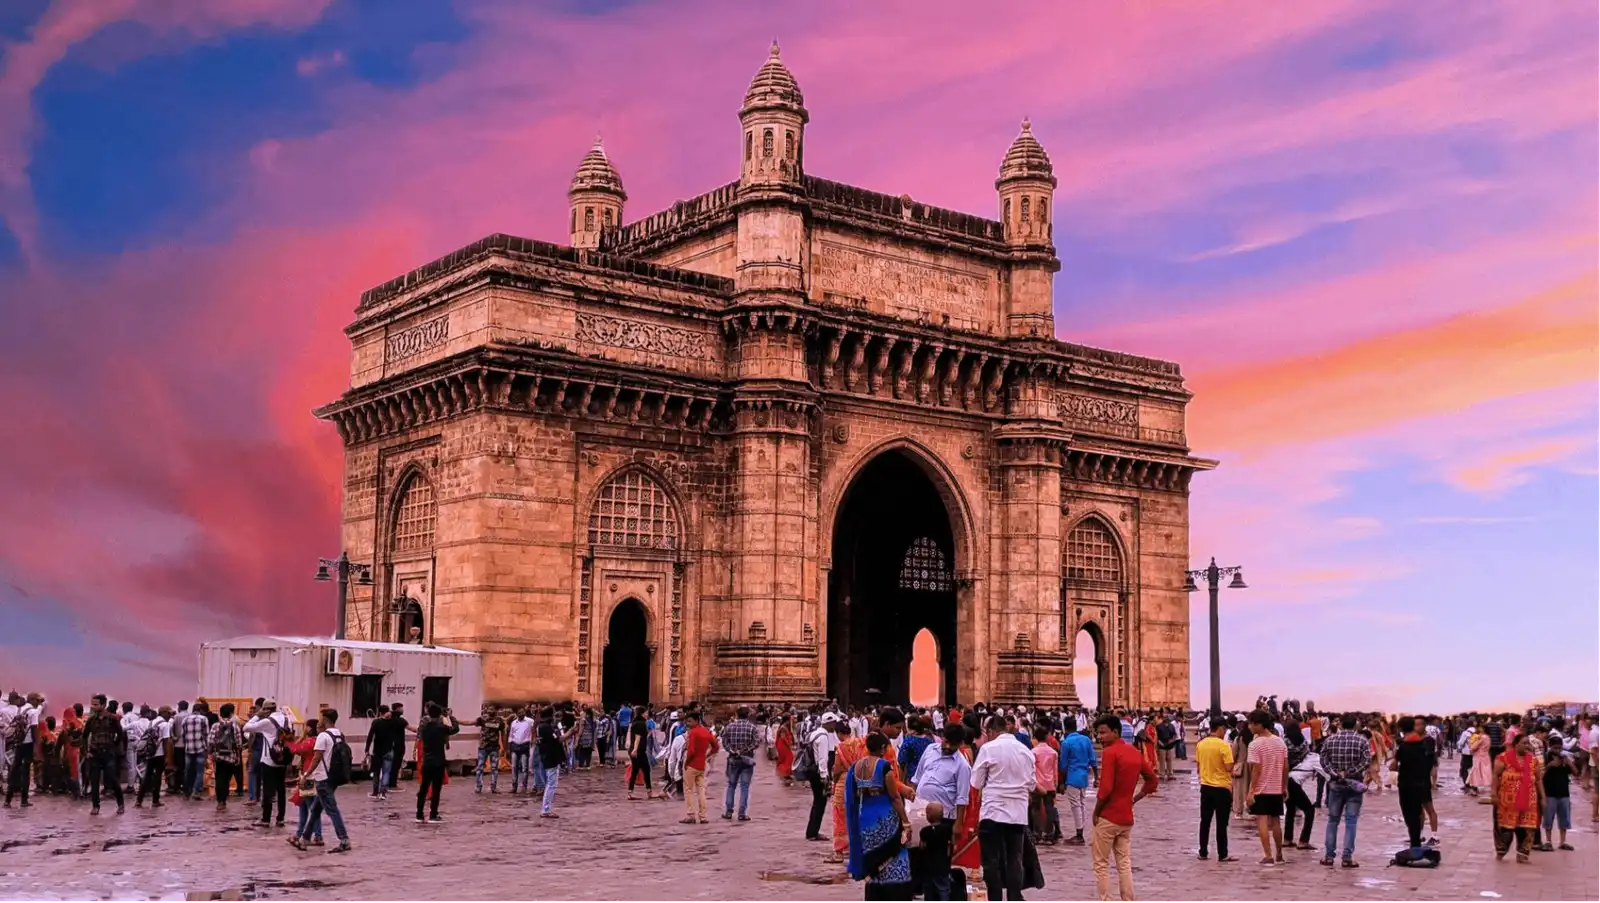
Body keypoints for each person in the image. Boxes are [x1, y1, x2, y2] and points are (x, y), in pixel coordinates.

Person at [1092, 713, 1157, 903]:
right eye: (1098, 733)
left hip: (1108, 816)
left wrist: (1096, 812)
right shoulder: (1135, 753)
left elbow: (1105, 789)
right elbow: (1152, 780)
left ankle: (1106, 900)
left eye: (1103, 733)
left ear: (1116, 732)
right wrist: (1135, 799)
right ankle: (1128, 899)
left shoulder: (1110, 753)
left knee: (1101, 864)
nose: (1100, 737)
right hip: (1126, 817)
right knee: (1124, 863)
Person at [971, 714, 1035, 903]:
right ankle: (1014, 898)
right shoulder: (1026, 751)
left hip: (993, 812)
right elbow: (1031, 784)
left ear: (990, 732)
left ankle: (995, 899)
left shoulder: (988, 749)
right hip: (1017, 814)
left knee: (991, 860)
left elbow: (976, 782)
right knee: (1014, 859)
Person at [845, 732, 913, 902]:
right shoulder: (884, 767)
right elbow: (895, 797)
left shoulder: (856, 767)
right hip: (885, 817)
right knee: (895, 858)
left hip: (866, 819)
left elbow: (852, 797)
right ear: (883, 748)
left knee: (873, 857)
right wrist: (905, 822)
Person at [289, 707, 351, 854]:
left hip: (323, 778)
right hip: (334, 777)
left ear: (325, 720)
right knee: (316, 810)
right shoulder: (339, 735)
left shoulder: (323, 736)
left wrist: (306, 775)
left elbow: (317, 758)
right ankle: (304, 839)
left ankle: (344, 840)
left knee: (332, 810)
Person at [1493, 731, 1544, 862]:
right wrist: (1493, 793)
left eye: (1528, 743)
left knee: (1527, 828)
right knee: (1505, 829)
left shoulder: (1533, 761)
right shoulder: (1503, 758)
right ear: (1516, 745)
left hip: (1529, 802)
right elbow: (1495, 777)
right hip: (1506, 802)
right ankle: (1501, 851)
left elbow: (1538, 780)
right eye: (1524, 743)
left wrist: (1543, 797)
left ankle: (1522, 854)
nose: (1527, 746)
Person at [1245, 709, 1287, 865]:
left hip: (1261, 789)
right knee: (1275, 822)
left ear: (1259, 725)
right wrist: (1284, 786)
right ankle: (1280, 854)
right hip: (1276, 787)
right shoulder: (1280, 741)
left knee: (1262, 821)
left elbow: (1256, 769)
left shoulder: (1255, 744)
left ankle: (1268, 855)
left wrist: (1251, 791)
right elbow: (1285, 766)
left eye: (1251, 724)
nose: (1249, 727)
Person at [1391, 716, 1434, 852]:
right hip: (1421, 781)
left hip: (1406, 783)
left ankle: (1415, 845)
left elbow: (1393, 766)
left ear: (1401, 728)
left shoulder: (1403, 746)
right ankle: (1416, 844)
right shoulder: (1423, 743)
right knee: (1417, 813)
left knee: (1409, 815)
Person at [244, 700, 290, 826]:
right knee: (281, 790)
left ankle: (265, 818)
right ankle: (280, 818)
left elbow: (246, 728)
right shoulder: (287, 719)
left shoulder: (266, 721)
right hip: (283, 758)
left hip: (269, 759)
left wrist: (257, 715)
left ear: (265, 710)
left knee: (268, 791)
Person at [1196, 719, 1235, 861]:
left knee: (1205, 821)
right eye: (1224, 730)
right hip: (1222, 787)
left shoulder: (1200, 744)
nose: (1224, 732)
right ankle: (1222, 853)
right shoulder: (1224, 746)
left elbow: (1198, 766)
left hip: (1206, 786)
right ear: (1219, 729)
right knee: (1221, 823)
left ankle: (1203, 851)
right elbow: (1229, 767)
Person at [829, 720, 868, 862]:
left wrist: (833, 779)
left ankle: (839, 850)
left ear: (839, 733)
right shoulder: (860, 743)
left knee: (839, 816)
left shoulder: (840, 747)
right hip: (858, 781)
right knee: (854, 815)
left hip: (843, 783)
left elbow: (838, 769)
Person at [416, 703, 460, 822]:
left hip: (427, 762)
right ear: (440, 715)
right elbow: (455, 729)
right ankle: (433, 814)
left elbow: (419, 730)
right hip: (439, 762)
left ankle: (419, 814)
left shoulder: (424, 728)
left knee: (423, 789)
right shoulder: (442, 728)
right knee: (436, 789)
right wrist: (450, 717)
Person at [535, 705, 579, 818]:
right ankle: (546, 810)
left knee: (550, 783)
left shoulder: (541, 726)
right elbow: (558, 739)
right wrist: (571, 731)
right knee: (551, 784)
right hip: (551, 757)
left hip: (547, 756)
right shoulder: (546, 727)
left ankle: (546, 809)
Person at [1060, 722, 1098, 846]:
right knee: (1082, 803)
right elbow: (1093, 759)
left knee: (1075, 805)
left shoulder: (1066, 743)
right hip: (1083, 776)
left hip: (1072, 776)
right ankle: (1081, 831)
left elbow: (1063, 765)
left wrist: (1061, 782)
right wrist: (1097, 777)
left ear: (1065, 729)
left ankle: (1079, 833)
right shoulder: (1086, 740)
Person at [679, 711, 719, 825]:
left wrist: (686, 763)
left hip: (692, 764)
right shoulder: (706, 732)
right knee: (701, 791)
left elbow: (691, 751)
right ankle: (703, 816)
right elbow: (716, 746)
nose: (688, 723)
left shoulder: (693, 733)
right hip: (701, 765)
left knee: (688, 790)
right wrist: (708, 755)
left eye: (690, 721)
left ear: (696, 721)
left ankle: (691, 815)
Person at [720, 706, 759, 821]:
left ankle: (728, 811)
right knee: (744, 786)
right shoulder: (752, 727)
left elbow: (724, 741)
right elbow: (757, 742)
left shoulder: (729, 727)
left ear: (737, 715)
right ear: (747, 715)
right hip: (747, 759)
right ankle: (742, 813)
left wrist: (733, 751)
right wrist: (745, 750)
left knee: (731, 785)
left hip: (733, 759)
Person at [208, 703, 245, 811]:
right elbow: (238, 744)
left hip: (218, 756)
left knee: (219, 778)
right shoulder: (235, 726)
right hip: (231, 757)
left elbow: (210, 741)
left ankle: (220, 801)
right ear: (231, 713)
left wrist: (210, 754)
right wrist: (238, 757)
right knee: (227, 779)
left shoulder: (215, 725)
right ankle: (224, 799)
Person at [1029, 723, 1059, 844]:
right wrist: (1056, 784)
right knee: (1049, 808)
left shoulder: (1033, 752)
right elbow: (1055, 770)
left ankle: (1037, 833)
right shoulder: (1053, 752)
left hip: (1037, 783)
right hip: (1050, 782)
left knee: (1035, 808)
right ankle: (1049, 834)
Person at [919, 801, 954, 903]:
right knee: (944, 890)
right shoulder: (947, 829)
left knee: (929, 891)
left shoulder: (924, 831)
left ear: (928, 814)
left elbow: (922, 846)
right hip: (943, 866)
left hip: (928, 867)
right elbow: (950, 845)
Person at [1540, 744, 1573, 851]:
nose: (1558, 751)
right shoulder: (1545, 760)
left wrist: (1569, 763)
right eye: (1555, 748)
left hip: (1564, 794)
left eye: (1559, 748)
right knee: (1548, 819)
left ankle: (1563, 842)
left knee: (1564, 819)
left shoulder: (1564, 761)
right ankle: (1548, 841)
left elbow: (1576, 773)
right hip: (1550, 795)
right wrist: (1549, 766)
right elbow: (1539, 778)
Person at [474, 704, 505, 794]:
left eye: (492, 709)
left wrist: (504, 746)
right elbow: (472, 723)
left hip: (494, 747)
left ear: (496, 710)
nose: (490, 711)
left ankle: (493, 787)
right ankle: (478, 787)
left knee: (494, 768)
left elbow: (502, 734)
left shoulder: (499, 721)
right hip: (483, 747)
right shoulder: (482, 719)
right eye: (489, 709)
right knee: (480, 767)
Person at [774, 714, 795, 786]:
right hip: (783, 745)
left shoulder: (783, 727)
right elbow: (783, 737)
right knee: (789, 758)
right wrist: (789, 745)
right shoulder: (783, 728)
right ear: (787, 720)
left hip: (782, 744)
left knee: (787, 759)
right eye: (790, 720)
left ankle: (786, 774)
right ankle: (785, 773)